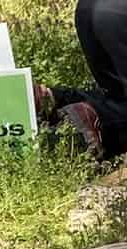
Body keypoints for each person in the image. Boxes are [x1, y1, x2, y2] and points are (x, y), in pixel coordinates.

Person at [36, 0, 127, 158]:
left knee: (117, 94)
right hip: (115, 13)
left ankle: (53, 99)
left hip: (89, 8)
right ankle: (98, 122)